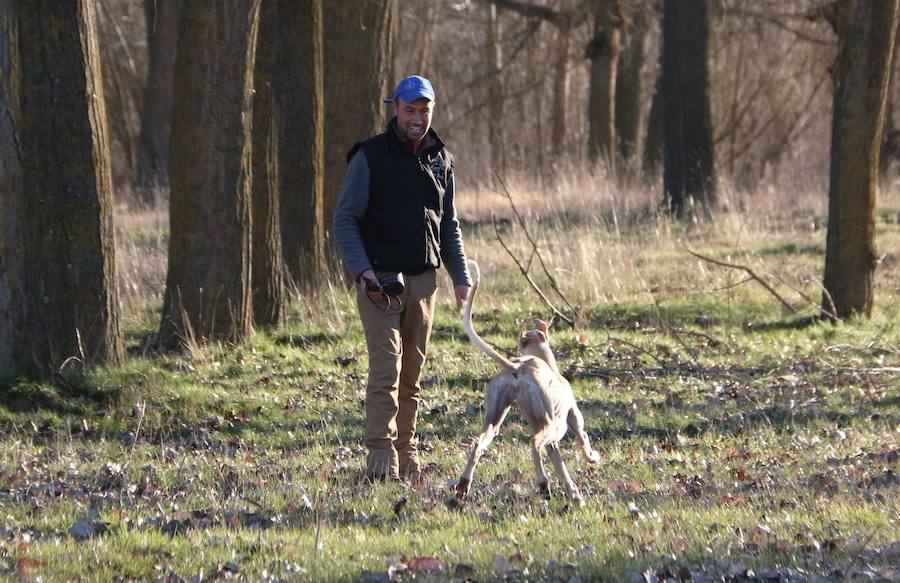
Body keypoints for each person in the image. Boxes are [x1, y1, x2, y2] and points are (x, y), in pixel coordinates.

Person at [333, 75, 471, 483]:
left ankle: (407, 458)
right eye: (410, 109)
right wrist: (363, 272)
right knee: (385, 372)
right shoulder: (369, 157)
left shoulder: (441, 160)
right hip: (380, 284)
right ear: (395, 109)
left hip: (424, 283)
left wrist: (460, 276)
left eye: (424, 110)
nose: (417, 117)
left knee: (412, 376)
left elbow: (449, 225)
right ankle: (380, 464)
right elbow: (345, 219)